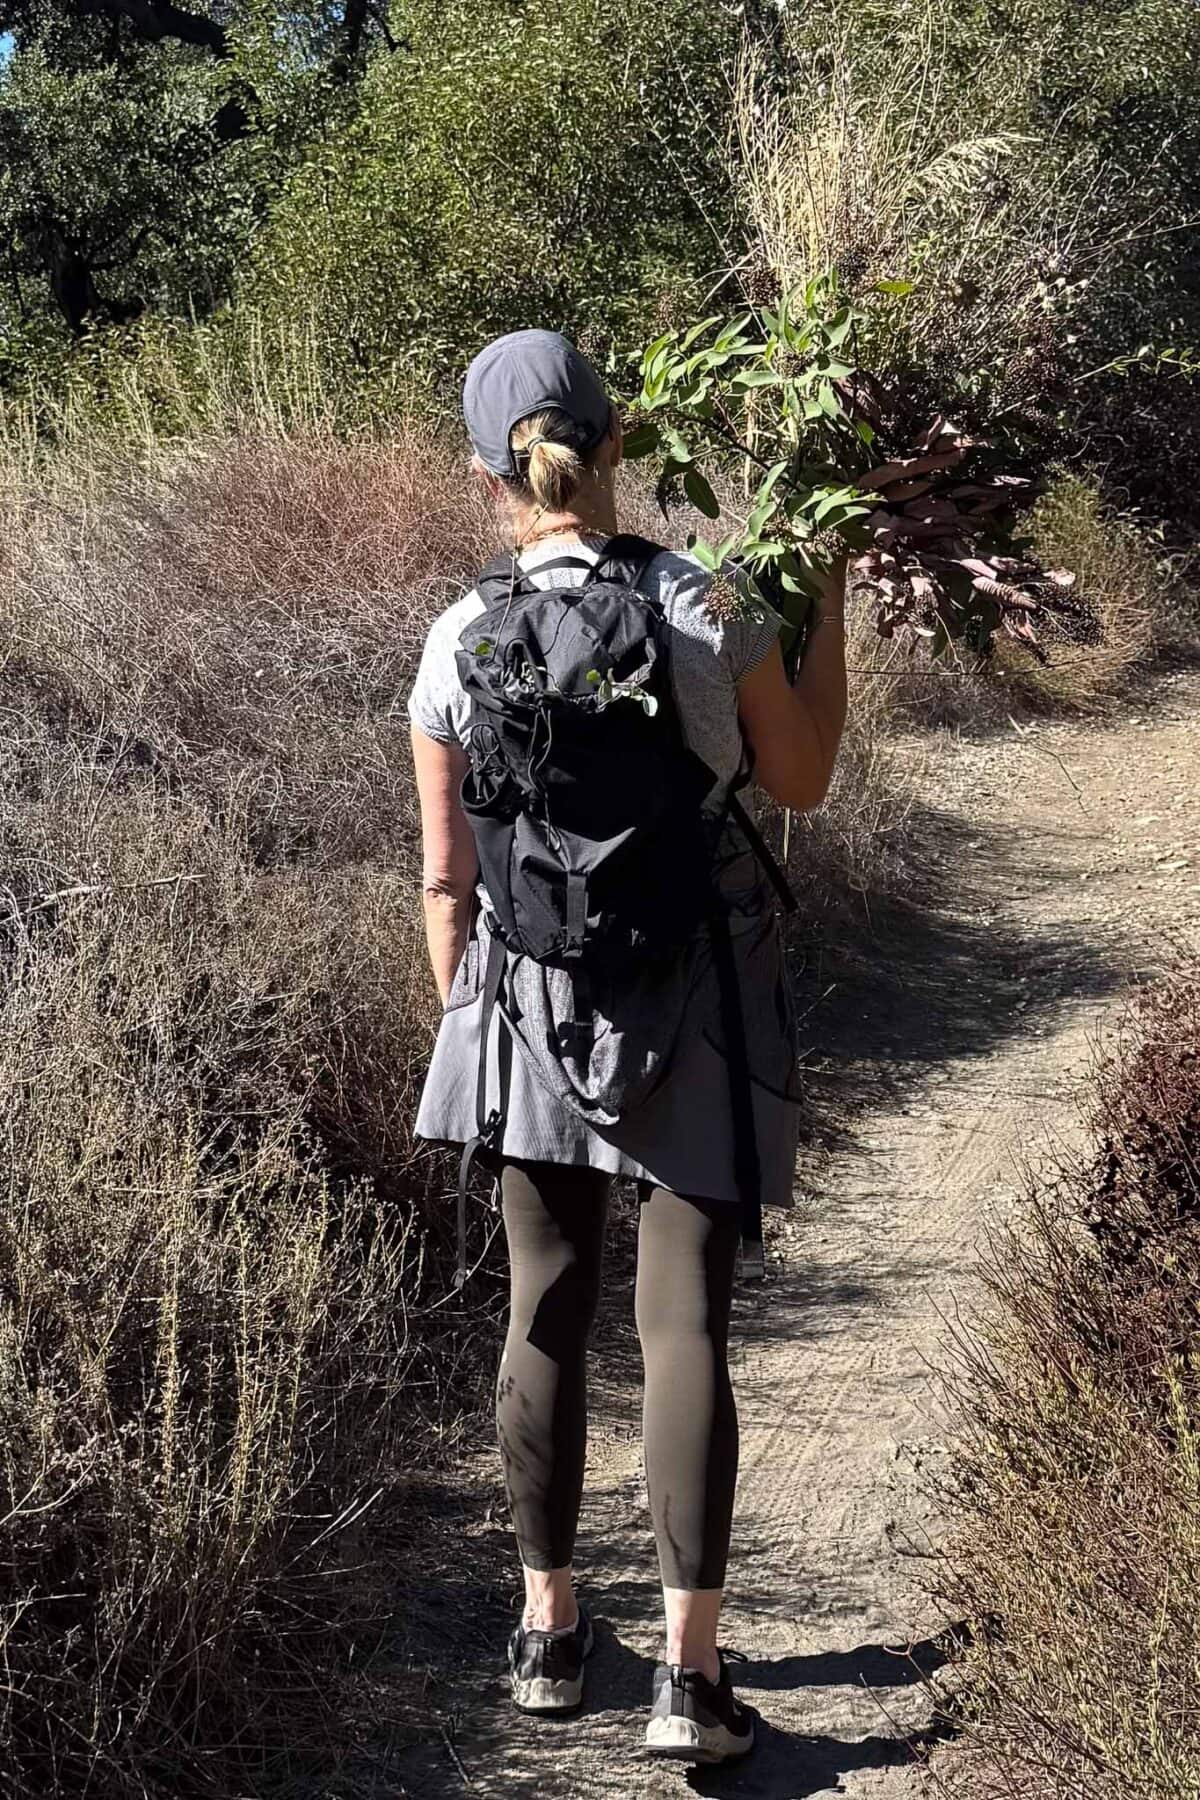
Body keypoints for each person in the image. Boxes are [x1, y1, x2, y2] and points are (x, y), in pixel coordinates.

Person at [407, 329, 847, 1763]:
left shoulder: (455, 638)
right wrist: (823, 585)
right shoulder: (705, 603)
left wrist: (479, 1020)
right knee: (685, 1327)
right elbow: (804, 779)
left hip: (526, 1004)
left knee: (544, 1305)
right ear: (615, 446)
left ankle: (545, 1633)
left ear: (488, 474)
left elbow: (445, 880)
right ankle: (691, 1681)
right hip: (696, 994)